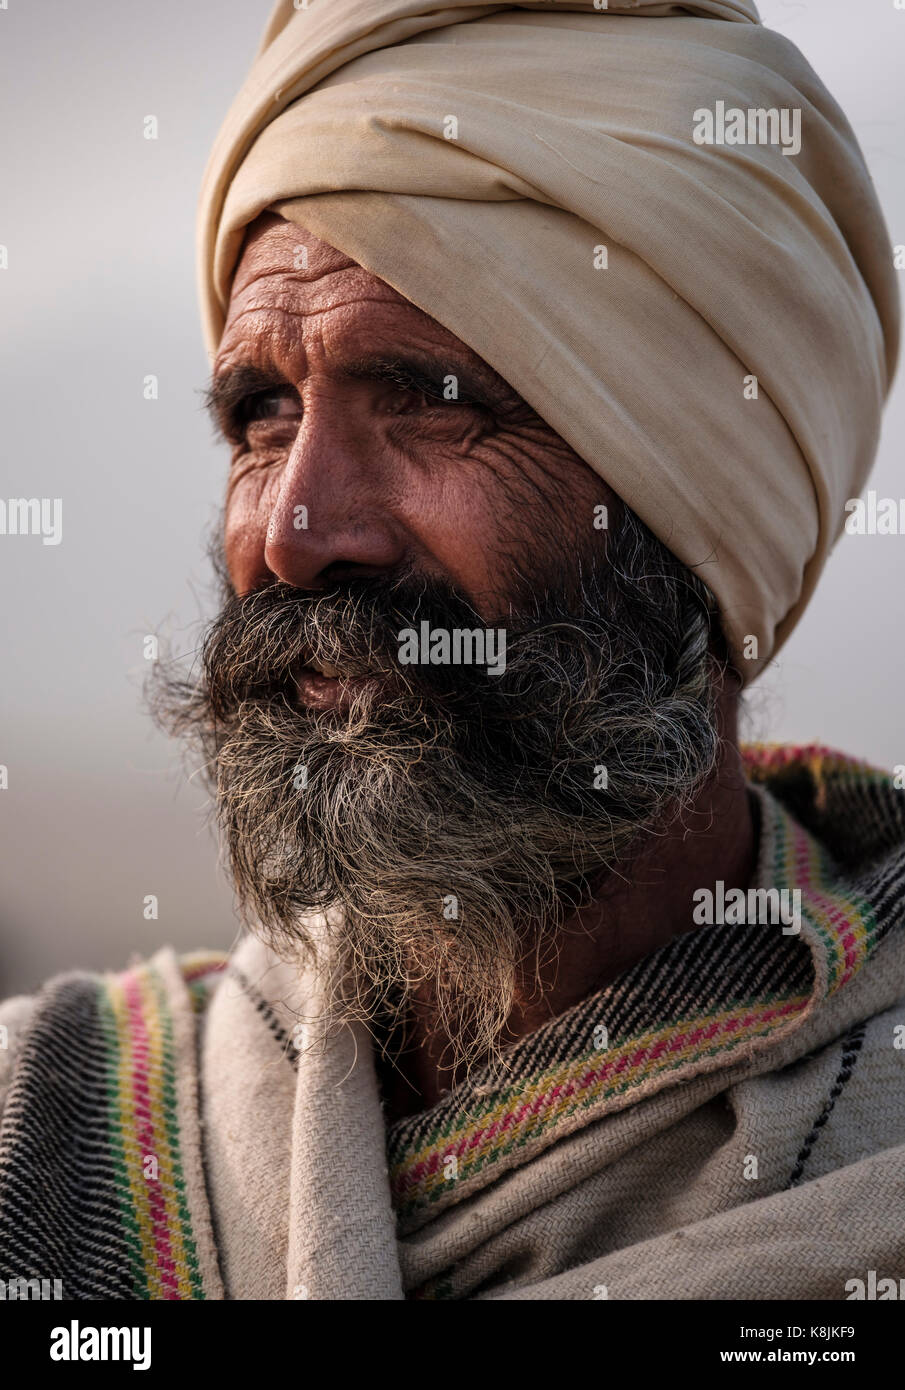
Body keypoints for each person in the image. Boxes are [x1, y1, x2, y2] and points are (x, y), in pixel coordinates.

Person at [1, 0, 902, 1301]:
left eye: (429, 404)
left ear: (701, 498)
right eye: (260, 414)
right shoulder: (55, 1137)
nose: (298, 531)